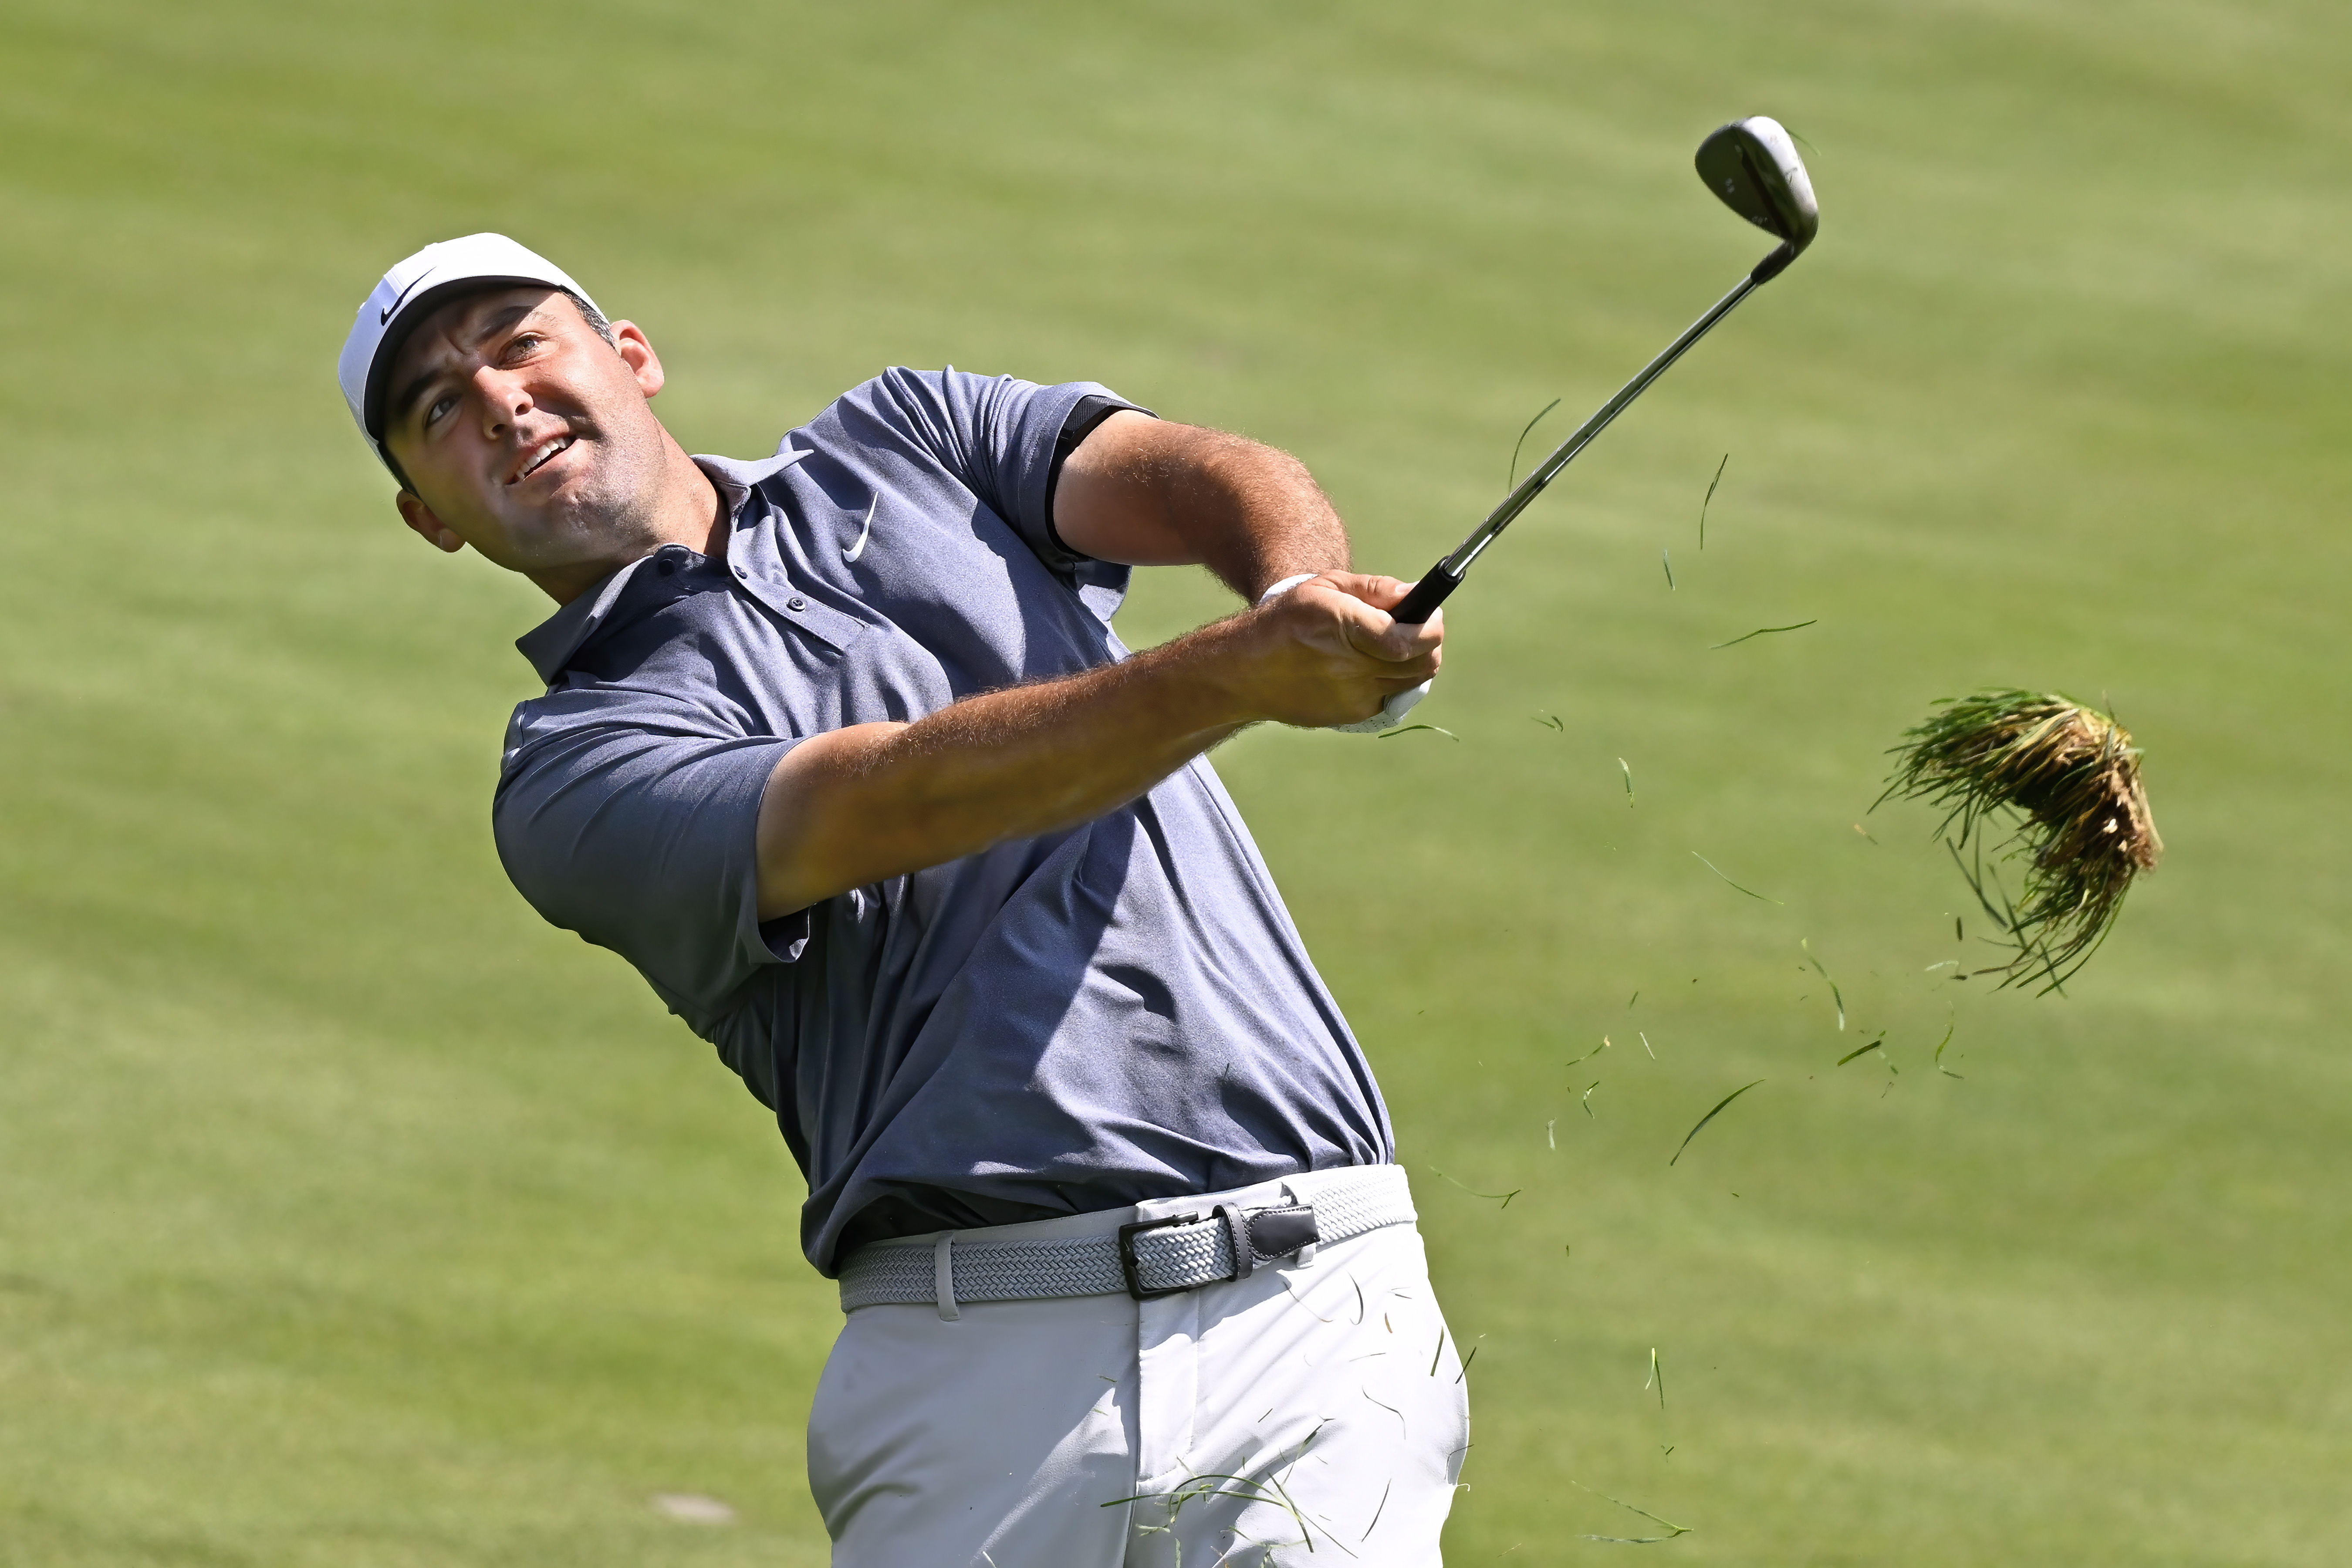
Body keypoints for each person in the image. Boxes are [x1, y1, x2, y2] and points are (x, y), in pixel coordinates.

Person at [337, 233, 1463, 1566]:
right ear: (430, 517)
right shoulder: (574, 772)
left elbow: (1194, 472)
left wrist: (1295, 591)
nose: (500, 401)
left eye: (521, 344)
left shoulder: (909, 436)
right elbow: (884, 806)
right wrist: (1231, 674)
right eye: (438, 409)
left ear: (628, 356)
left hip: (1320, 1313)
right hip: (984, 1373)